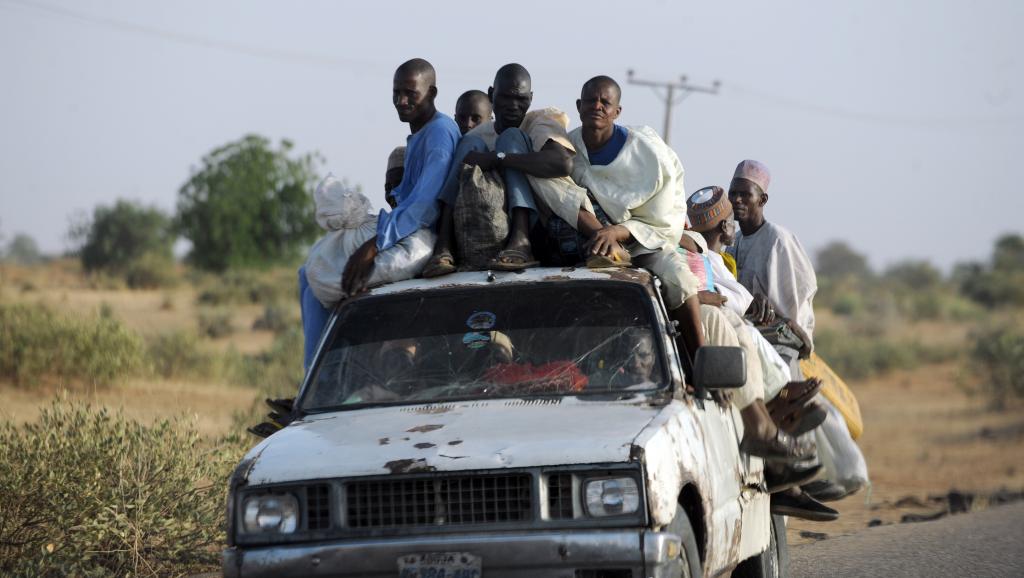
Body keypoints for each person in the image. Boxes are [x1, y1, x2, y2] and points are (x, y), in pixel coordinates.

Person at [537, 76, 812, 462]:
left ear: (617, 111)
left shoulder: (647, 152)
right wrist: (600, 233)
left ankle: (706, 370)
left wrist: (621, 231)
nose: (597, 107)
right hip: (595, 246)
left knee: (679, 278)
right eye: (590, 101)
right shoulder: (567, 152)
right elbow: (559, 191)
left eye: (605, 102)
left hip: (644, 238)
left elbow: (667, 218)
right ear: (579, 107)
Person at [298, 58, 460, 369]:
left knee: (320, 278)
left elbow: (422, 208)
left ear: (432, 93)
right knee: (307, 273)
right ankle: (313, 379)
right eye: (397, 93)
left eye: (411, 93)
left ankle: (318, 378)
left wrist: (371, 248)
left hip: (419, 239)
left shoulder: (439, 132)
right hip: (401, 230)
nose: (402, 101)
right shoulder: (422, 133)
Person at [422, 63, 575, 276]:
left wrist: (498, 158)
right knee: (467, 146)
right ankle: (444, 242)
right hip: (486, 221)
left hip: (537, 224)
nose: (513, 106)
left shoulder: (539, 123)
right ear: (492, 95)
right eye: (505, 98)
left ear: (530, 99)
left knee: (511, 137)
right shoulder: (477, 136)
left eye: (521, 99)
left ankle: (521, 238)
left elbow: (563, 164)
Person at [726, 160, 817, 373]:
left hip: (780, 345)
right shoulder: (731, 243)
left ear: (762, 199)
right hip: (746, 339)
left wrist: (775, 316)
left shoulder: (779, 240)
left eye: (745, 194)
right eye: (733, 193)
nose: (737, 200)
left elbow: (796, 302)